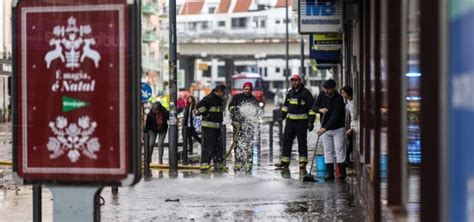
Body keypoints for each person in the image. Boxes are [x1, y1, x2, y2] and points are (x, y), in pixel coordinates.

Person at [274, 74, 316, 171]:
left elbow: (311, 108)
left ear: (300, 81)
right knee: (286, 141)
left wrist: (310, 122)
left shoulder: (306, 93)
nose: (294, 82)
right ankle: (284, 161)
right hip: (290, 122)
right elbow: (285, 106)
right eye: (292, 81)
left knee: (302, 142)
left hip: (302, 122)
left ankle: (302, 162)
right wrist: (281, 117)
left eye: (296, 80)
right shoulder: (290, 93)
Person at [313, 79, 346, 180]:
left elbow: (335, 117)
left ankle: (341, 173)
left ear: (333, 88)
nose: (327, 91)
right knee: (328, 151)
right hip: (325, 128)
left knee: (339, 149)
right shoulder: (322, 95)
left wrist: (325, 128)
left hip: (338, 128)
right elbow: (314, 106)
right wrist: (320, 110)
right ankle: (329, 173)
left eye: (329, 89)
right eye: (325, 89)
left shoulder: (338, 99)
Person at [228, 82, 260, 172]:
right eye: (246, 89)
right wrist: (237, 113)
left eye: (249, 89)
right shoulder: (237, 98)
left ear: (251, 90)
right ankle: (238, 163)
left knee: (248, 145)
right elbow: (230, 107)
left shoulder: (253, 100)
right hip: (237, 125)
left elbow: (257, 112)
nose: (247, 90)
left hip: (248, 127)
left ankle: (248, 164)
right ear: (243, 89)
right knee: (237, 144)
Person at [196, 84, 227, 171]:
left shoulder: (218, 99)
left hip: (217, 128)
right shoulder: (209, 98)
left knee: (218, 146)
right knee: (209, 146)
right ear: (219, 91)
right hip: (209, 128)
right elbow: (199, 106)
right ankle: (205, 164)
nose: (225, 93)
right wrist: (206, 114)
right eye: (224, 92)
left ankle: (218, 164)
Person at [340, 86, 355, 168]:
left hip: (355, 125)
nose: (342, 95)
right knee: (350, 140)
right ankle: (347, 158)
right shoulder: (348, 102)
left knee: (350, 139)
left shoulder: (355, 102)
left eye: (343, 93)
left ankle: (347, 158)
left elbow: (356, 116)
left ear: (348, 93)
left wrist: (352, 128)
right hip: (352, 125)